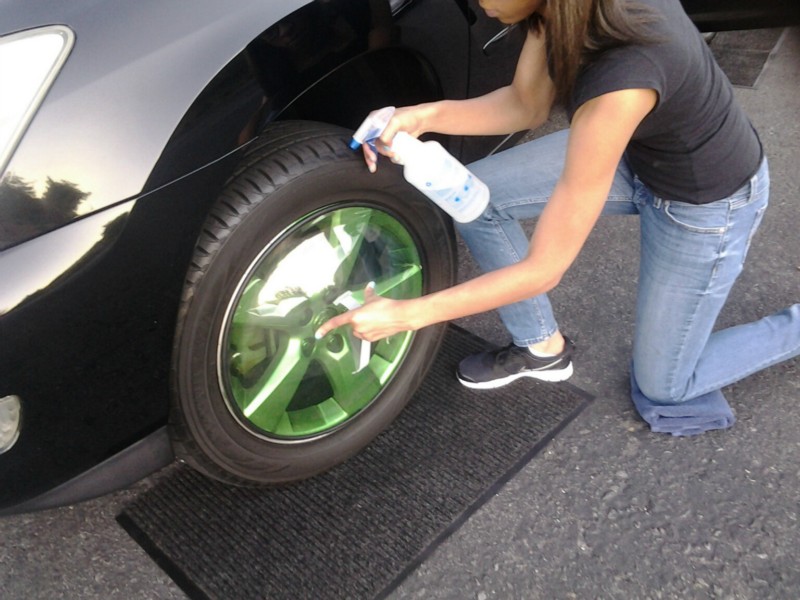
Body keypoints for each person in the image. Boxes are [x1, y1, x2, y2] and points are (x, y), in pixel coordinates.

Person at [316, 0, 800, 435]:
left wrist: (407, 316)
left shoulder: (622, 79)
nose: (478, 6)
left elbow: (545, 268)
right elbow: (525, 105)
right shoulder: (556, 12)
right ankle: (540, 348)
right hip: (635, 151)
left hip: (705, 202)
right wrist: (417, 117)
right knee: (477, 196)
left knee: (666, 386)